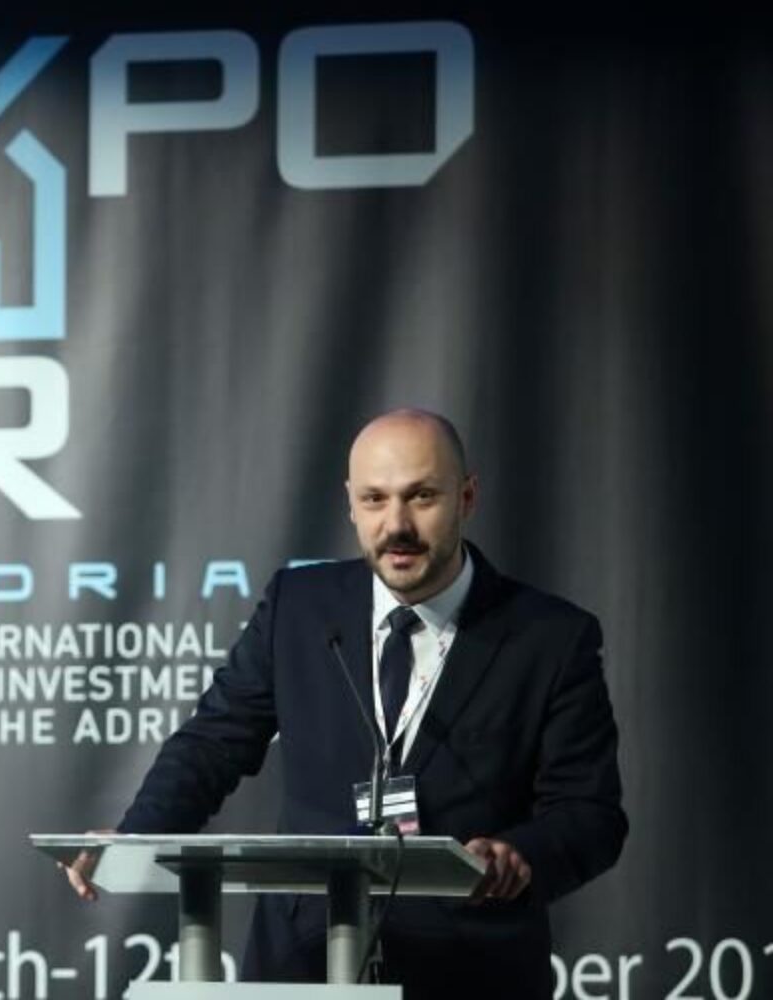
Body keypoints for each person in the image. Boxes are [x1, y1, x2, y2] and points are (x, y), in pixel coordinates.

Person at [61, 409, 626, 999]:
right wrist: (137, 837)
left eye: (422, 497)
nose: (397, 525)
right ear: (351, 504)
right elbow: (213, 742)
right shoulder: (299, 607)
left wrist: (519, 856)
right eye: (375, 499)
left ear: (467, 497)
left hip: (469, 973)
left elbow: (590, 814)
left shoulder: (550, 637)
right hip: (302, 965)